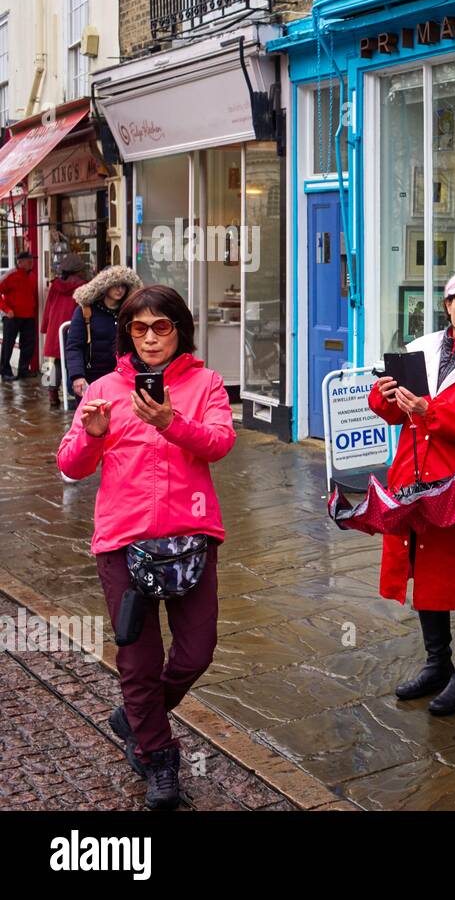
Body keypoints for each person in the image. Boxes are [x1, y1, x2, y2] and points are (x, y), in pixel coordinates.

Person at [57, 285, 236, 810]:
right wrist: (91, 435)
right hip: (124, 540)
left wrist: (170, 423)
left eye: (162, 327)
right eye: (140, 328)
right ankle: (158, 758)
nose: (152, 337)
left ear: (179, 329)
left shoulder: (206, 383)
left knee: (196, 651)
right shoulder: (105, 389)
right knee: (137, 660)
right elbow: (70, 465)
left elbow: (221, 443)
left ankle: (136, 715)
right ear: (126, 333)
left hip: (192, 537)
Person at [369, 269, 455, 716]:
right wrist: (385, 394)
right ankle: (438, 665)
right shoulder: (422, 347)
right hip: (414, 479)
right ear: (447, 305)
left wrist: (429, 409)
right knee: (425, 568)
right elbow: (392, 415)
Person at [67, 265, 143, 403]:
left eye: (123, 285)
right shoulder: (86, 310)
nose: (120, 289)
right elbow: (74, 346)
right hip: (93, 377)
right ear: (104, 285)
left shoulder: (130, 311)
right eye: (115, 285)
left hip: (124, 377)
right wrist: (77, 376)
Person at [40, 254, 88, 407]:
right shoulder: (84, 285)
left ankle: (52, 393)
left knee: (54, 362)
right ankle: (72, 394)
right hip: (74, 325)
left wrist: (45, 326)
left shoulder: (56, 285)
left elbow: (48, 308)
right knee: (74, 360)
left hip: (56, 326)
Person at [0, 251, 39, 381]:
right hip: (12, 316)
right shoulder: (10, 275)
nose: (31, 263)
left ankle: (23, 370)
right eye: (28, 261)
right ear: (20, 262)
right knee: (8, 344)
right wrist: (6, 309)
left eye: (31, 261)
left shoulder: (32, 276)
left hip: (28, 316)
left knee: (28, 344)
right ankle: (5, 370)